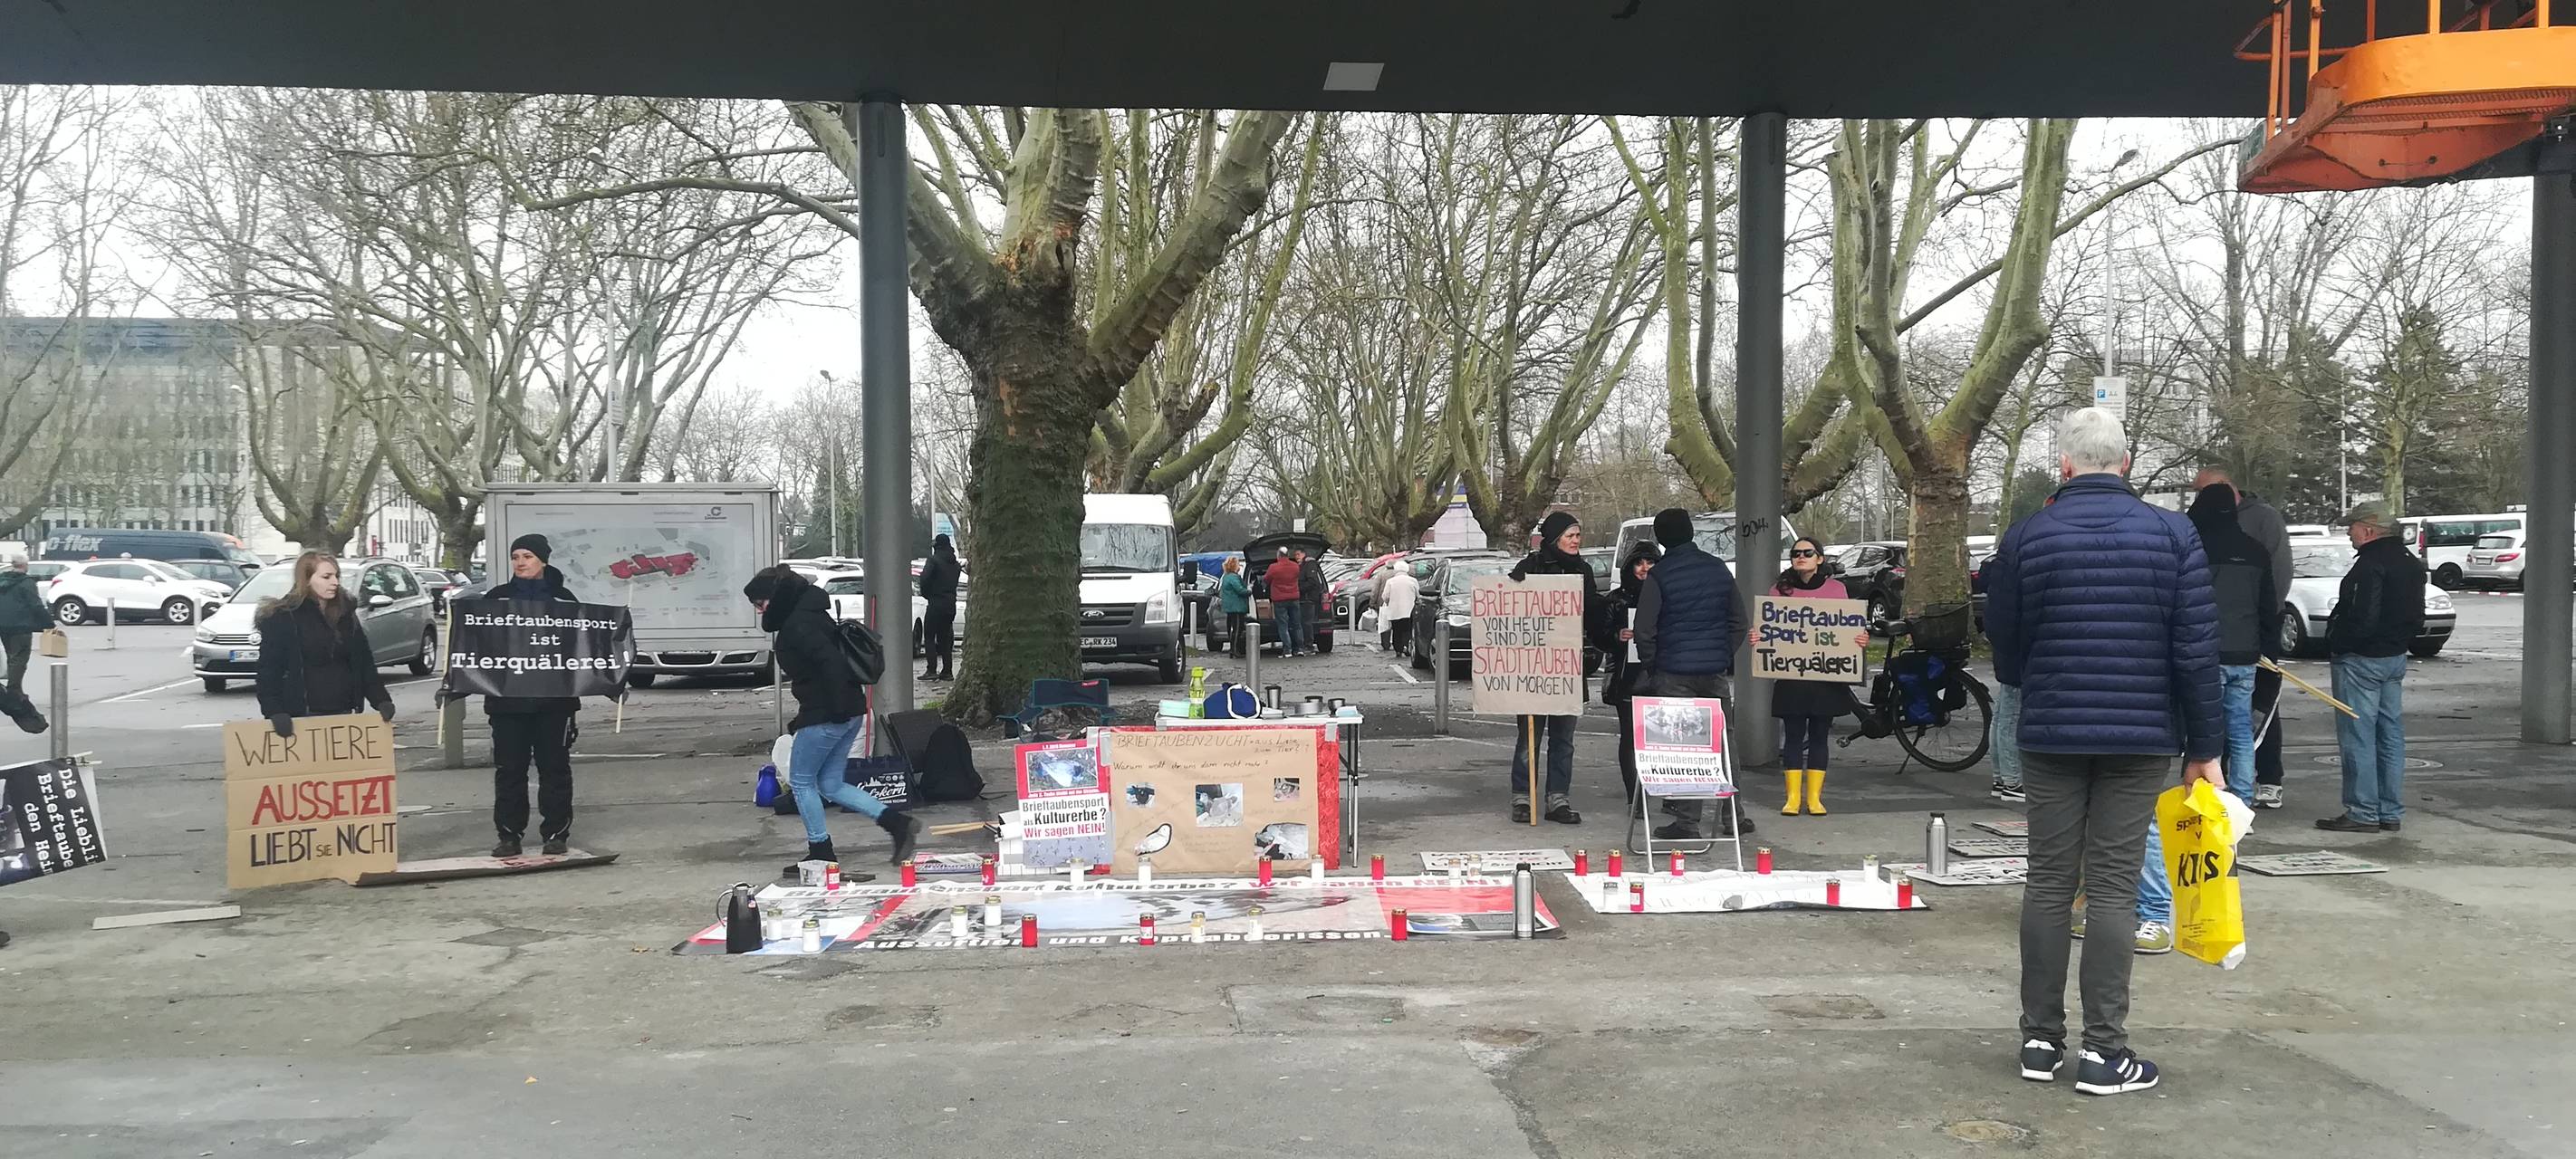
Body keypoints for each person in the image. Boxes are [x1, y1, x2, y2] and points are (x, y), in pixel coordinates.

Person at [1985, 407, 2223, 1097]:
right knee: (2115, 887)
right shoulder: (2174, 534)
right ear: (2125, 462)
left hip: (2053, 730)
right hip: (2142, 735)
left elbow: (2004, 642)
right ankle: (2104, 1053)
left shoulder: (2026, 536)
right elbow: (2195, 650)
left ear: (2064, 464)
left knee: (2049, 880)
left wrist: (2042, 682)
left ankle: (2038, 1040)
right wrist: (2204, 744)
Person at [744, 563, 922, 872]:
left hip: (828, 714)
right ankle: (897, 823)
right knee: (830, 783)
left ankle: (821, 852)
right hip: (847, 711)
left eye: (760, 604)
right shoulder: (812, 614)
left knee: (801, 782)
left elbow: (830, 667)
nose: (760, 611)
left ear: (774, 596)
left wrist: (827, 713)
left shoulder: (798, 625)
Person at [1633, 507, 1745, 838]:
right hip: (1713, 673)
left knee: (1685, 749)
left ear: (1661, 538)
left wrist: (1654, 664)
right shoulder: (1717, 569)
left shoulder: (1660, 575)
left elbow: (1644, 629)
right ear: (1692, 533)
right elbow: (1739, 622)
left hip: (1673, 672)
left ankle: (1687, 822)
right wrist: (1722, 654)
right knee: (1725, 743)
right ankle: (1734, 816)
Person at [2318, 502, 2424, 834]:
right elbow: (2416, 615)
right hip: (2394, 657)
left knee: (2358, 736)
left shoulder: (2369, 564)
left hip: (2362, 660)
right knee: (2390, 734)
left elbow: (2363, 617)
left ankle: (2363, 811)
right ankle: (2390, 810)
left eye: (2352, 527)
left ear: (2368, 530)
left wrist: (2341, 642)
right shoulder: (2410, 562)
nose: (2348, 533)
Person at [2194, 467, 2294, 809]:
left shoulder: (2197, 549)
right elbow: (2270, 605)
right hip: (2246, 655)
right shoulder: (2255, 550)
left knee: (2205, 730)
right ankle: (2243, 801)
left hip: (2207, 654)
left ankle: (2208, 799)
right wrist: (2267, 648)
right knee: (2240, 731)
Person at [484, 534, 581, 857]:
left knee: (554, 768)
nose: (520, 562)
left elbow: (580, 650)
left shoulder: (564, 599)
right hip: (507, 702)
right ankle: (509, 835)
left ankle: (556, 833)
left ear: (543, 560)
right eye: (515, 556)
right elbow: (477, 646)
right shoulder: (496, 599)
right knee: (510, 770)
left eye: (527, 556)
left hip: (554, 703)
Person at [1754, 537, 1864, 818]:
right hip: (1792, 677)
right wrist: (1758, 635)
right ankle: (1792, 798)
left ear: (1820, 558)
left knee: (1819, 736)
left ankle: (1814, 798)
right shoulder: (1779, 591)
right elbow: (1769, 629)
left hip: (1826, 676)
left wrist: (1860, 638)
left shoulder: (1837, 590)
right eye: (1795, 553)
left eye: (1807, 553)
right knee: (1792, 736)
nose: (1800, 557)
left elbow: (1848, 627)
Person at [1506, 512, 1604, 824]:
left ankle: (1557, 799)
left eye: (1578, 535)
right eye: (1569, 535)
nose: (1576, 541)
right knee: (1529, 739)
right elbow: (1510, 607)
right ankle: (1523, 797)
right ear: (1553, 538)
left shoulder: (1584, 571)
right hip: (1534, 669)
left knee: (1563, 740)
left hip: (1567, 667)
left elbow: (1592, 615)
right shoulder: (1531, 566)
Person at [254, 552, 396, 734]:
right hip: (302, 716)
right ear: (306, 580)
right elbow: (269, 671)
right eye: (326, 577)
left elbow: (364, 663)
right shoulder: (283, 617)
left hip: (345, 713)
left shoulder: (346, 615)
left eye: (336, 576)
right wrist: (274, 712)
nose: (335, 582)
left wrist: (381, 699)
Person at [1602, 542, 1660, 809]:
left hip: (1659, 674)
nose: (1645, 568)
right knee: (1630, 736)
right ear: (1630, 566)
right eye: (1640, 563)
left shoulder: (1666, 594)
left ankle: (1665, 791)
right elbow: (1600, 635)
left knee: (1661, 737)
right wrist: (1617, 636)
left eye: (1650, 562)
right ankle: (1634, 796)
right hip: (1627, 677)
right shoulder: (1616, 599)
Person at [918, 533, 961, 681]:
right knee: (945, 638)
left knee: (929, 636)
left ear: (937, 546)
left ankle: (931, 670)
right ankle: (947, 671)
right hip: (950, 604)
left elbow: (924, 579)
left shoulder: (933, 560)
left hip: (936, 602)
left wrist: (927, 594)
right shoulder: (955, 564)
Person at [0, 553, 43, 696]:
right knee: (19, 658)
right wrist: (49, 624)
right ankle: (14, 690)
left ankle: (13, 688)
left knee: (11, 656)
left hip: (3, 625)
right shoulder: (27, 582)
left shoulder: (2, 580)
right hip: (21, 626)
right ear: (25, 565)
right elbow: (35, 605)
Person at [1263, 547, 1304, 656]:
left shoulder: (1274, 567)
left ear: (1279, 555)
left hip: (1279, 599)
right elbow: (1298, 577)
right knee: (1297, 624)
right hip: (1294, 598)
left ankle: (1287, 650)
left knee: (1283, 625)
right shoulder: (1295, 566)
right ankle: (1300, 648)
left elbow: (1266, 579)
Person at [1379, 560, 1419, 657]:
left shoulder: (1391, 581)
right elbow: (1418, 595)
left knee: (1397, 631)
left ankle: (1398, 649)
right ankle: (1407, 646)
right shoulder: (1413, 581)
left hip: (1395, 611)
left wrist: (1389, 603)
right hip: (1409, 610)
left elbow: (1385, 596)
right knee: (1408, 630)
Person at [1218, 557, 1252, 656]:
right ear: (1234, 565)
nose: (1239, 566)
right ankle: (1234, 650)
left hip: (1230, 607)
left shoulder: (1226, 577)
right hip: (1236, 607)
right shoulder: (1233, 577)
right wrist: (1249, 591)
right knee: (1238, 629)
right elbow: (1240, 590)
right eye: (1237, 564)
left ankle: (1233, 649)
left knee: (1233, 629)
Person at [1298, 549, 1327, 652]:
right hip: (1305, 599)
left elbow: (1312, 582)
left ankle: (1308, 645)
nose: (1297, 556)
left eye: (1298, 554)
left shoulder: (1310, 565)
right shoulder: (1303, 566)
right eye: (1295, 554)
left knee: (1306, 623)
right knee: (1304, 623)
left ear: (1304, 554)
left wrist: (1299, 589)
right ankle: (1304, 644)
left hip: (1308, 599)